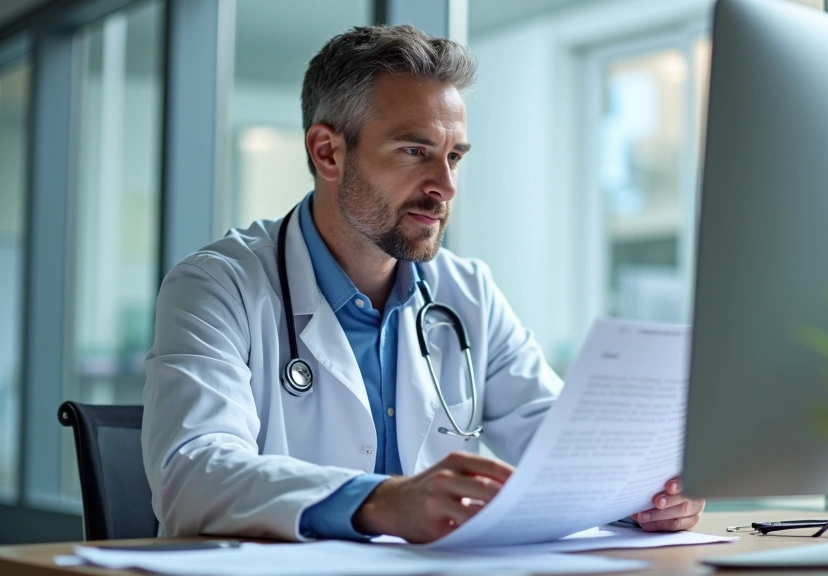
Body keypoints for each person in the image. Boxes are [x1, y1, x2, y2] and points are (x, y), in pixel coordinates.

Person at [141, 24, 703, 544]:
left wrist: (643, 495)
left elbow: (552, 446)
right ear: (327, 151)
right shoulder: (218, 285)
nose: (446, 185)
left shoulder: (468, 292)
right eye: (415, 151)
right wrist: (383, 501)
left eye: (454, 155)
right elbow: (192, 471)